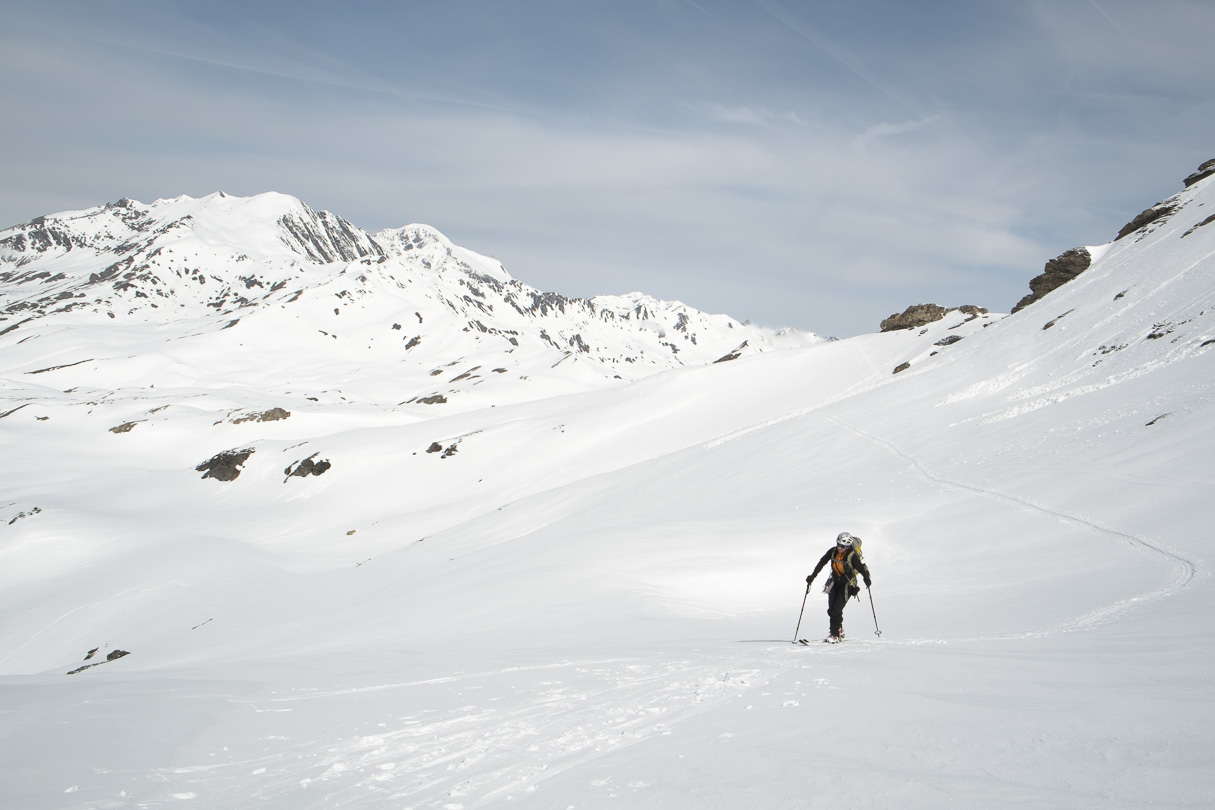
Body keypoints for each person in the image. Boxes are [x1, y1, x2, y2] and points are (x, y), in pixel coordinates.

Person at [805, 532, 872, 643]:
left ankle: (834, 634)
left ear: (848, 546)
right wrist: (812, 576)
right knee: (831, 609)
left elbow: (860, 568)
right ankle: (838, 630)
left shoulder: (852, 556)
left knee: (837, 610)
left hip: (848, 586)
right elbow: (822, 562)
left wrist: (867, 579)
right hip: (835, 583)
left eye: (843, 546)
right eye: (839, 544)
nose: (840, 548)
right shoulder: (833, 551)